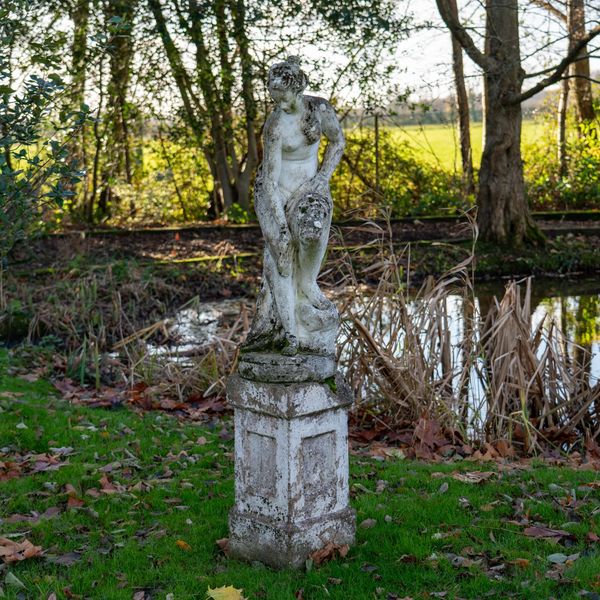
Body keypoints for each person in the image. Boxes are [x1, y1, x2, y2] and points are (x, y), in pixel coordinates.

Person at [244, 56, 345, 357]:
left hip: (309, 187)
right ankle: (288, 334)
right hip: (274, 192)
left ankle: (309, 283)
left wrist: (323, 178)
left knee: (313, 229)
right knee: (281, 258)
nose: (280, 106)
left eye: (284, 100)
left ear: (298, 89)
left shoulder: (320, 109)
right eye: (274, 99)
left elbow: (337, 142)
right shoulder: (274, 125)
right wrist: (279, 227)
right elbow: (271, 180)